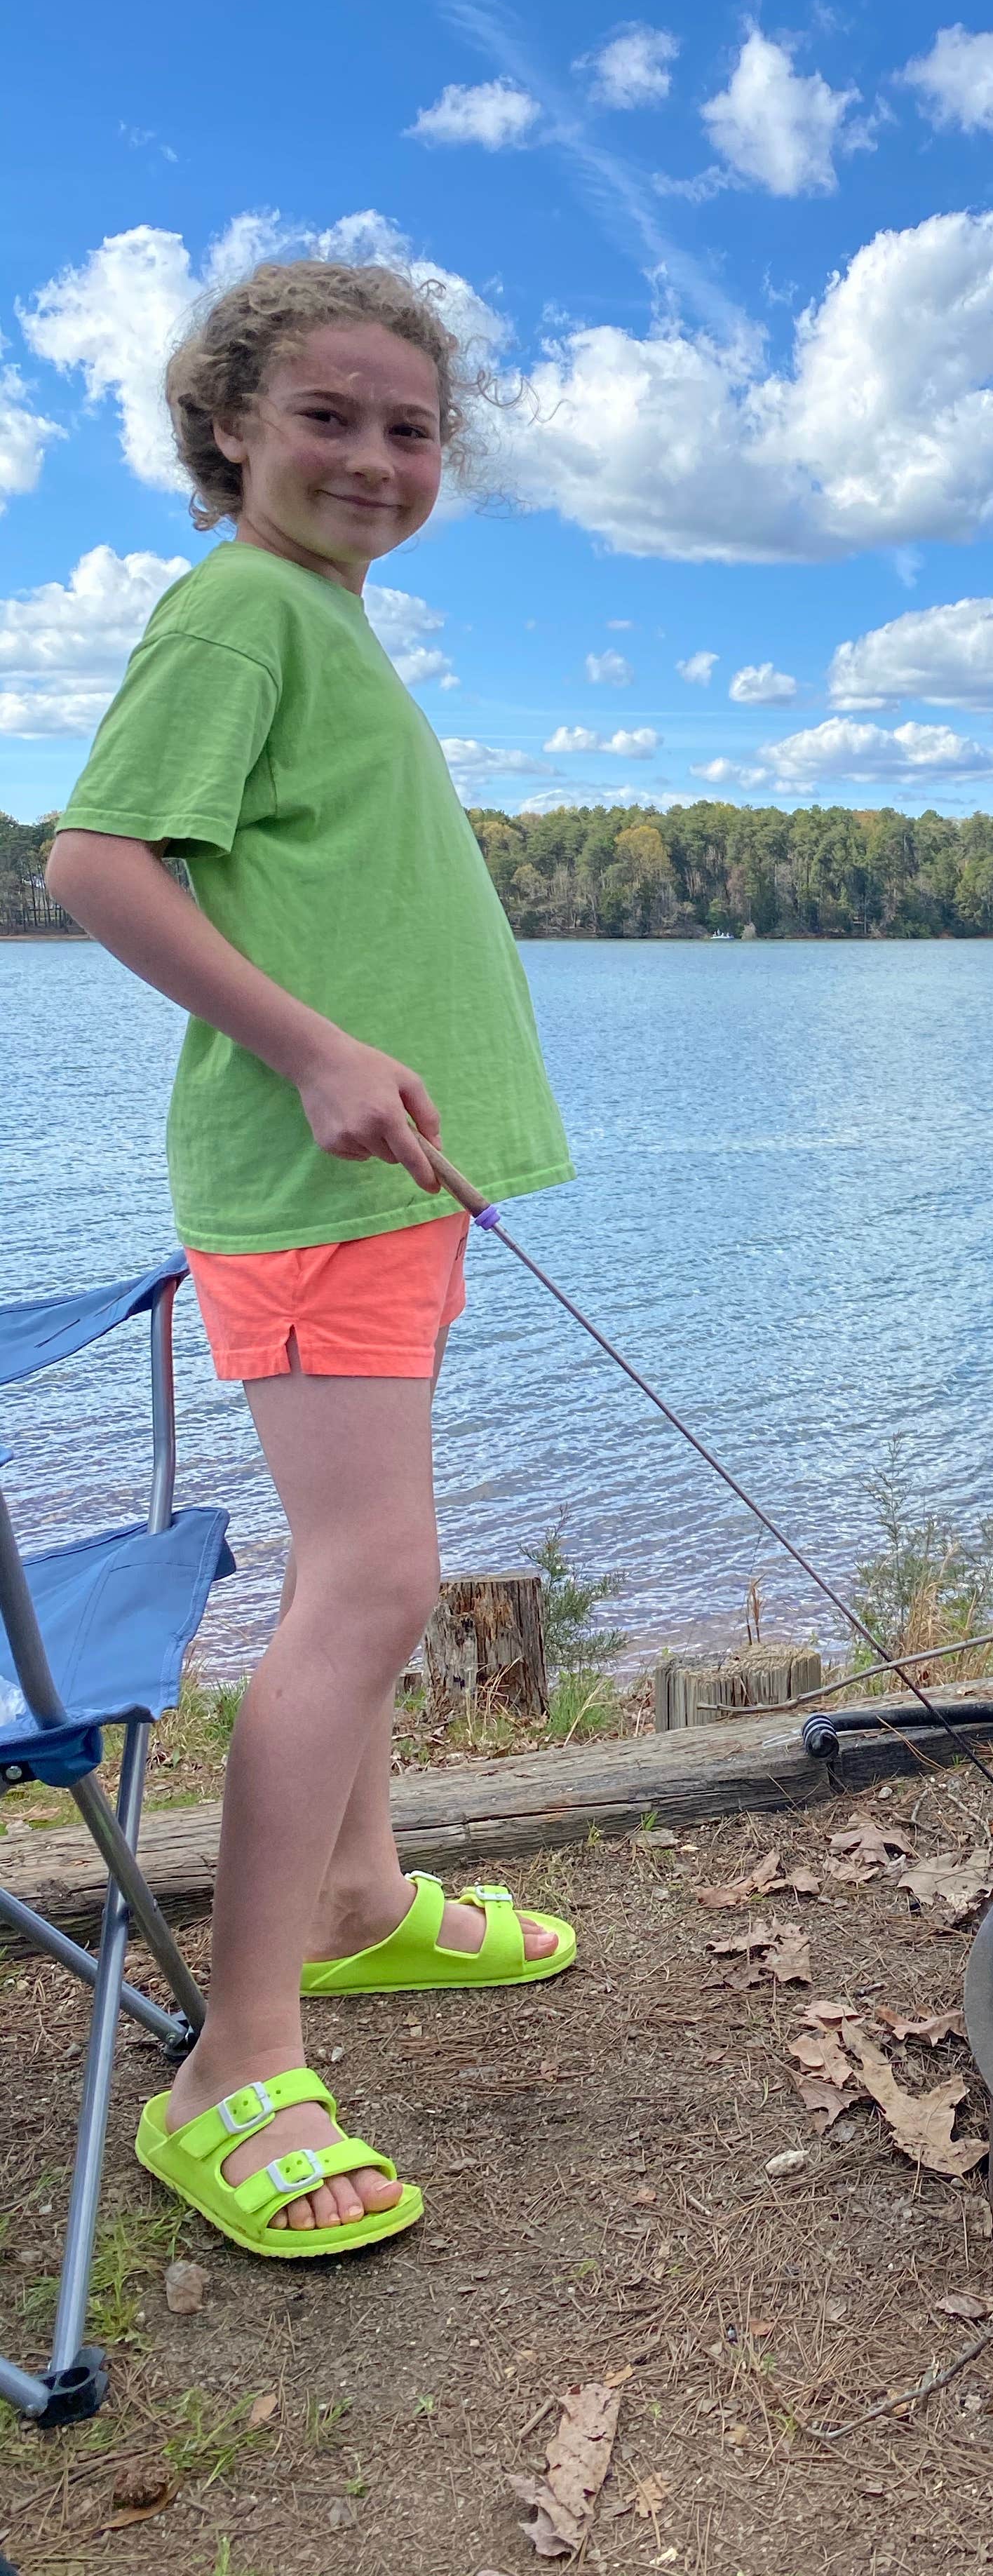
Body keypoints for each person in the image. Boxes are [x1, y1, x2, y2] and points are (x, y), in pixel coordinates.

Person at [46, 259, 576, 2260]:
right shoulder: (238, 605)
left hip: (384, 1194)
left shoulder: (324, 619)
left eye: (410, 427)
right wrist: (316, 1047)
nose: (373, 455)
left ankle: (356, 1901)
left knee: (375, 1566)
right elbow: (95, 862)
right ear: (229, 431)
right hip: (310, 1187)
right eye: (328, 416)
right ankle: (231, 2059)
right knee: (374, 1586)